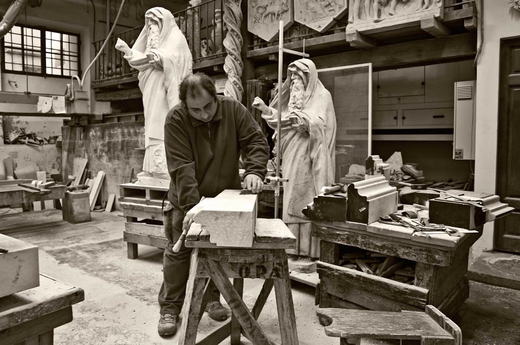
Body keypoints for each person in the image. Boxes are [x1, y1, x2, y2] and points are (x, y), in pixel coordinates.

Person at [158, 72, 270, 336]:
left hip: (224, 200)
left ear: (215, 97)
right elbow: (182, 168)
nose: (205, 114)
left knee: (215, 254)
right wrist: (193, 209)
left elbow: (255, 141)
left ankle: (210, 299)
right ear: (185, 106)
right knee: (179, 254)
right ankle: (170, 308)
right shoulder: (176, 119)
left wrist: (255, 171)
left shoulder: (233, 109)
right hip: (186, 200)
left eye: (208, 106)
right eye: (196, 110)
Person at [252, 58, 336, 258]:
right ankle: (292, 250)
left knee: (307, 202)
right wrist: (265, 110)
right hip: (291, 155)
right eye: (292, 77)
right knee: (291, 201)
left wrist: (306, 123)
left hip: (309, 157)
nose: (295, 81)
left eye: (299, 76)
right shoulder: (293, 97)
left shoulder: (322, 96)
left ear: (309, 77)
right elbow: (282, 119)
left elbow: (324, 125)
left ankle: (309, 253)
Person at [115, 7, 192, 184]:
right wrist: (127, 50)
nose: (151, 27)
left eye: (154, 22)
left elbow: (181, 61)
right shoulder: (153, 42)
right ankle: (152, 169)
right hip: (151, 89)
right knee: (151, 125)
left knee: (164, 124)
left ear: (163, 22)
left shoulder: (176, 38)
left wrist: (162, 59)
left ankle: (165, 168)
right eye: (148, 24)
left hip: (167, 91)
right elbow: (142, 61)